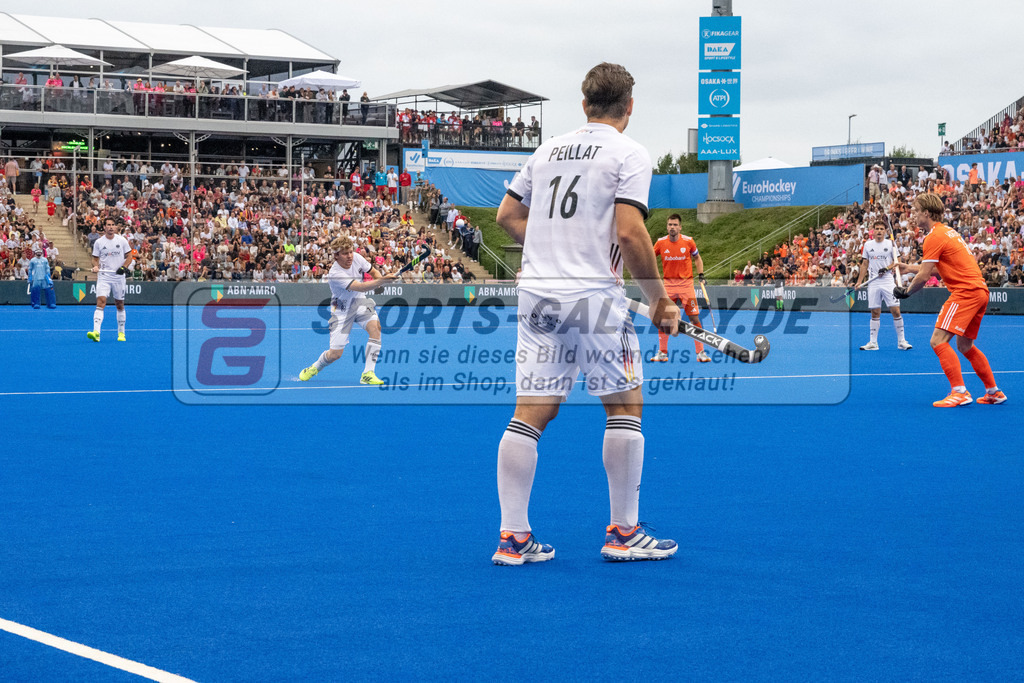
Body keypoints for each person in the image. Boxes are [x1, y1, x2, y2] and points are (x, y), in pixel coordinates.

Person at [491, 62, 681, 566]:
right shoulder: (629, 153)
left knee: (530, 413)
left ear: (584, 105)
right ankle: (623, 531)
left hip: (536, 294)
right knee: (624, 406)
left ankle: (513, 537)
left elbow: (506, 215)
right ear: (630, 107)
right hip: (594, 295)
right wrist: (660, 299)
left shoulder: (547, 148)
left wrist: (554, 245)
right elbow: (631, 233)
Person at [894, 193, 1006, 406]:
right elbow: (940, 268)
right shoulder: (948, 232)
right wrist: (909, 268)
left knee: (937, 340)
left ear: (926, 212)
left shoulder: (933, 236)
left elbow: (925, 276)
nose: (913, 215)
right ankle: (993, 391)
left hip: (965, 292)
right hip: (979, 291)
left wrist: (906, 292)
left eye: (916, 210)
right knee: (965, 345)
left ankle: (960, 392)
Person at [298, 237, 397, 386]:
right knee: (335, 354)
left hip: (361, 302)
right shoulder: (335, 273)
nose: (350, 256)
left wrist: (380, 280)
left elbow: (374, 272)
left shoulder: (356, 257)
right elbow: (359, 286)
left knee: (376, 329)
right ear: (336, 255)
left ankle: (368, 374)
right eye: (345, 253)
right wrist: (382, 281)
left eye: (350, 252)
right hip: (342, 310)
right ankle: (315, 367)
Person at [651, 213, 710, 362]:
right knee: (664, 319)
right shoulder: (660, 243)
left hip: (686, 286)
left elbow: (697, 258)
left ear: (680, 227)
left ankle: (700, 353)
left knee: (694, 317)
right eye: (670, 224)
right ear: (667, 226)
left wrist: (701, 274)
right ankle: (662, 353)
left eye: (675, 225)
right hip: (668, 286)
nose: (672, 227)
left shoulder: (689, 242)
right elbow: (650, 259)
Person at [854, 220, 911, 350]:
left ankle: (902, 341)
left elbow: (898, 261)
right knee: (875, 312)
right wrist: (859, 281)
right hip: (873, 282)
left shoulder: (891, 244)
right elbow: (864, 264)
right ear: (873, 231)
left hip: (888, 281)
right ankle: (873, 343)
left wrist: (887, 268)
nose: (879, 231)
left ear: (885, 231)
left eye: (881, 229)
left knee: (896, 310)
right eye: (877, 229)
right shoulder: (868, 245)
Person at [88, 217, 132, 342]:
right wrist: (95, 266)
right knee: (101, 302)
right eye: (108, 225)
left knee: (119, 304)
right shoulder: (99, 242)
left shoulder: (122, 241)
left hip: (118, 277)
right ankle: (96, 332)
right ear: (104, 227)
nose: (111, 227)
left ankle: (121, 333)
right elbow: (94, 258)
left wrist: (124, 267)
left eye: (113, 225)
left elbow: (130, 256)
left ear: (116, 227)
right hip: (104, 276)